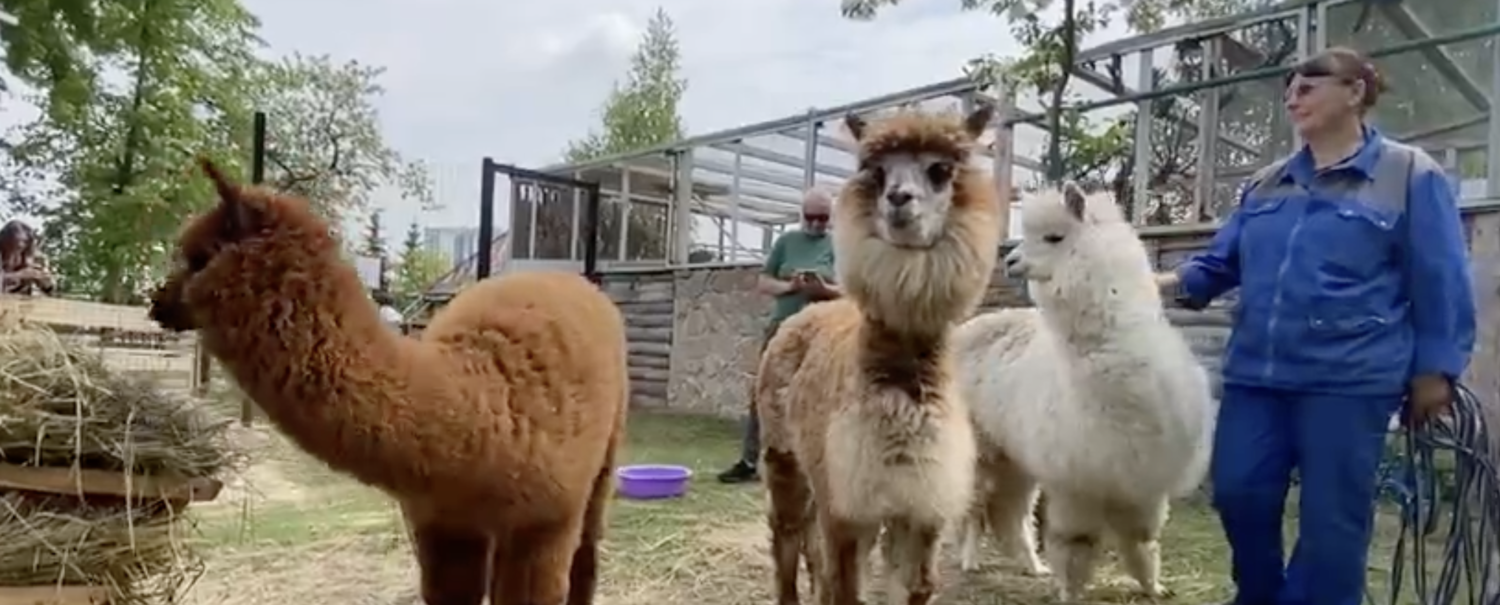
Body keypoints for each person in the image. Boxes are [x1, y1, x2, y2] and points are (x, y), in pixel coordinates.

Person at [1157, 47, 1475, 605]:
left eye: (1309, 83)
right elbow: (1218, 264)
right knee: (1239, 493)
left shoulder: (1408, 174)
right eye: (1288, 88)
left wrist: (1436, 369)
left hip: (1349, 382)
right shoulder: (1266, 183)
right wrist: (1145, 280)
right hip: (1259, 375)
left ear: (1355, 92)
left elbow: (1441, 278)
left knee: (1333, 525)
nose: (1292, 95)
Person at [717, 187, 840, 484]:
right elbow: (764, 282)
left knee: (819, 395)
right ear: (802, 215)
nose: (815, 224)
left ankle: (817, 462)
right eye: (810, 217)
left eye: (822, 218)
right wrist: (791, 287)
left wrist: (823, 290)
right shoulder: (786, 242)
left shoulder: (838, 245)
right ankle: (750, 460)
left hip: (821, 332)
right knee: (764, 392)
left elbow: (850, 292)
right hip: (782, 326)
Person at [0, 220, 54, 296]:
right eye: (15, 246)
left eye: (24, 243)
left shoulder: (32, 258)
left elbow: (49, 291)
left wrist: (45, 281)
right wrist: (19, 275)